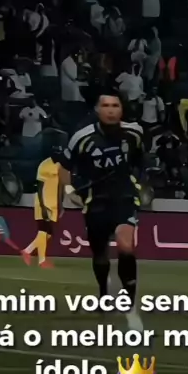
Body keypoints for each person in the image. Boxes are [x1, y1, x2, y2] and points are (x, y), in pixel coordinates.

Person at [60, 93, 144, 331]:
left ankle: (129, 305)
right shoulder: (82, 137)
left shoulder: (135, 133)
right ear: (97, 110)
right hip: (95, 199)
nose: (111, 110)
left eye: (115, 105)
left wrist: (139, 181)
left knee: (126, 245)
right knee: (100, 254)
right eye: (106, 106)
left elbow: (139, 160)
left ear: (121, 110)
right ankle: (104, 294)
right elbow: (65, 166)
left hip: (124, 197)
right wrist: (69, 190)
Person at [21, 147, 63, 269]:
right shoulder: (44, 165)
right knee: (43, 231)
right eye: (57, 153)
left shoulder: (60, 166)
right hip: (43, 202)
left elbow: (60, 186)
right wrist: (43, 206)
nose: (59, 155)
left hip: (54, 204)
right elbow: (39, 188)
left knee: (49, 233)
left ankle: (27, 250)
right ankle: (42, 260)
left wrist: (60, 204)